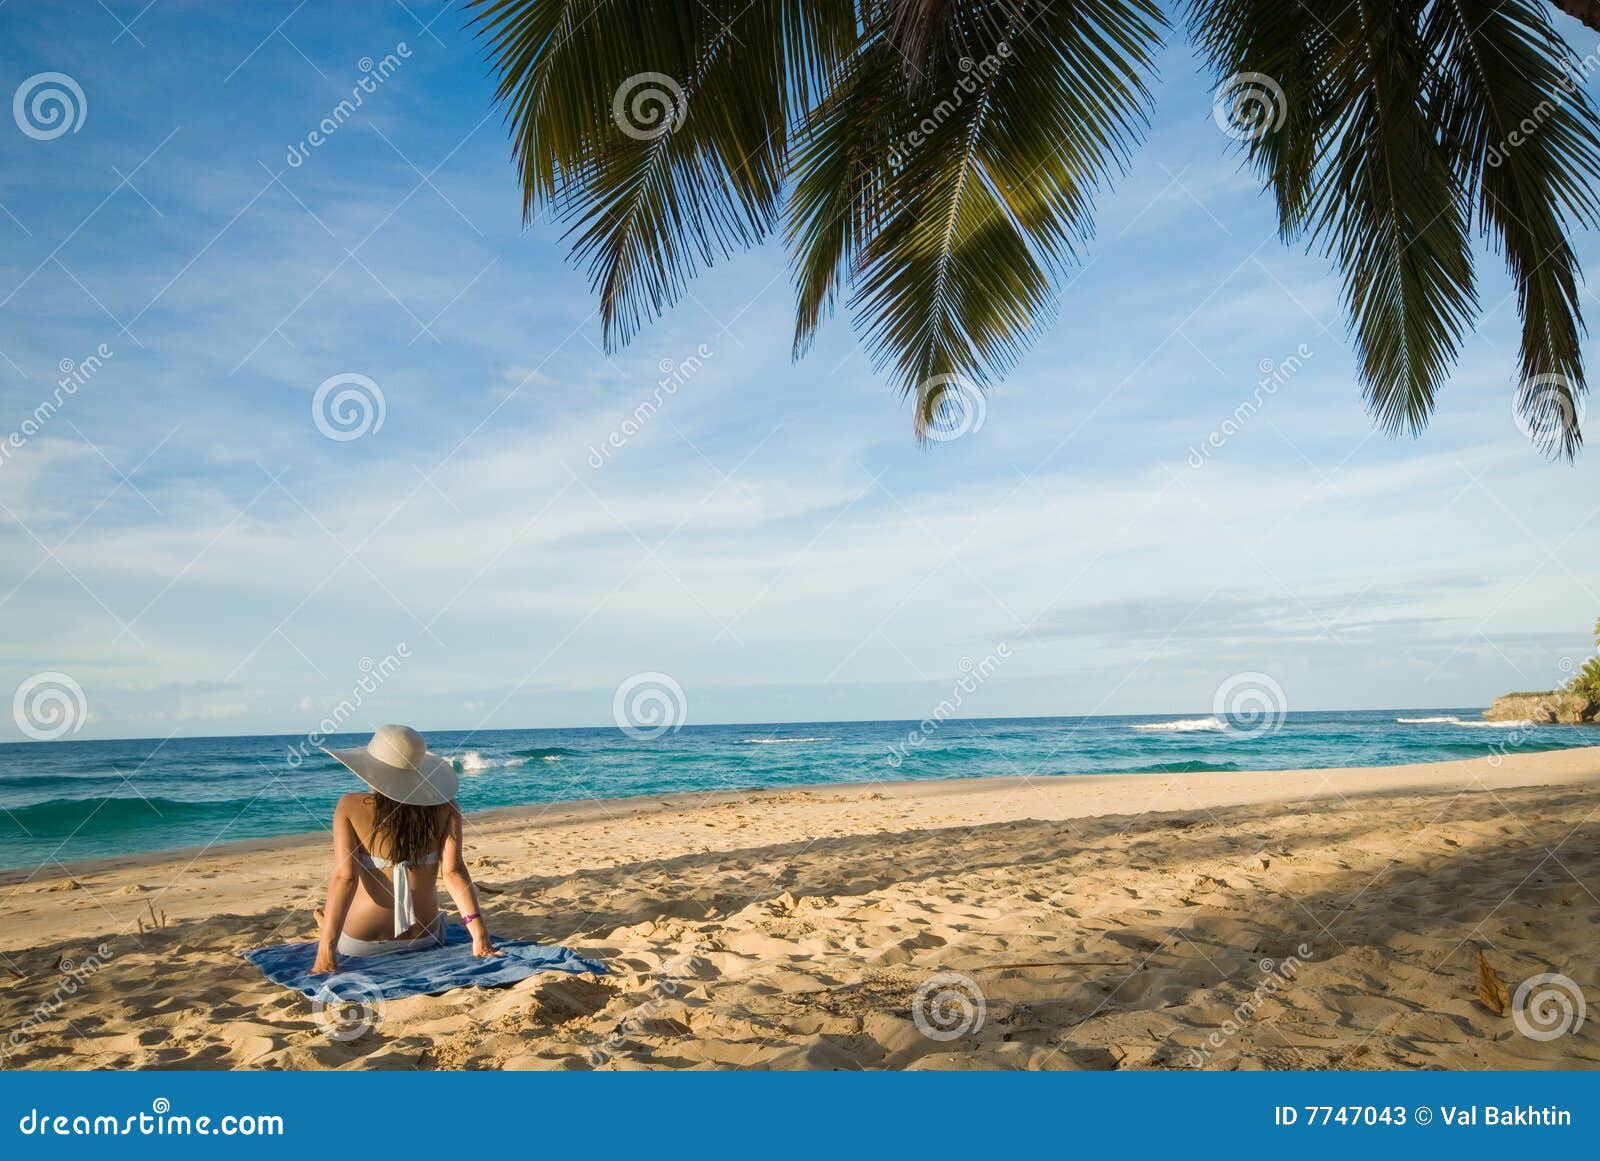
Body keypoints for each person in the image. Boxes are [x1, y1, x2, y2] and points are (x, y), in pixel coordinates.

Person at [309, 724, 501, 974]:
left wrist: (325, 952)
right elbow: (453, 873)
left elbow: (345, 878)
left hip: (362, 942)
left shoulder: (350, 806)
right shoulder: (446, 807)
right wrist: (479, 936)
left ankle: (325, 924)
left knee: (338, 910)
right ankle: (325, 922)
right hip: (424, 936)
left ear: (372, 770)